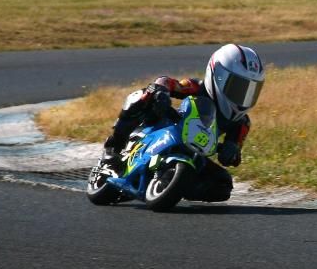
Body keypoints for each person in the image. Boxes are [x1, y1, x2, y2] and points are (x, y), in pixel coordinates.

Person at [100, 44, 266, 202]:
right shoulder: (197, 87)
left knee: (223, 184)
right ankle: (114, 145)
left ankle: (176, 185)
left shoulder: (242, 123)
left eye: (250, 90)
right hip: (167, 128)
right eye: (238, 87)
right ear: (219, 76)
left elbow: (234, 151)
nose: (243, 96)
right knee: (143, 95)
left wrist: (232, 152)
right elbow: (168, 82)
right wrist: (161, 93)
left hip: (195, 153)